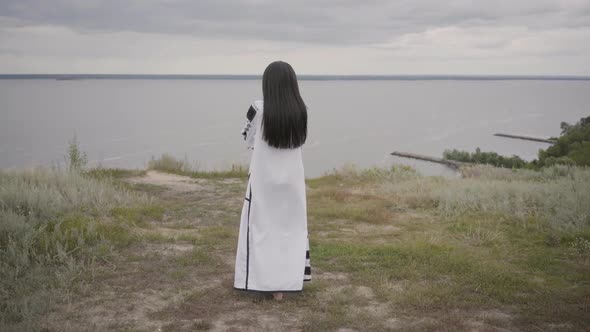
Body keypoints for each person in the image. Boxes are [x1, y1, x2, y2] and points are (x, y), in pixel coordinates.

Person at [234, 61, 311, 301]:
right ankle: (284, 284)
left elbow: (247, 137)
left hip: (263, 181)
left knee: (261, 229)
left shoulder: (257, 108)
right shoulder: (300, 110)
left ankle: (265, 281)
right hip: (292, 181)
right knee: (290, 230)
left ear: (268, 83)